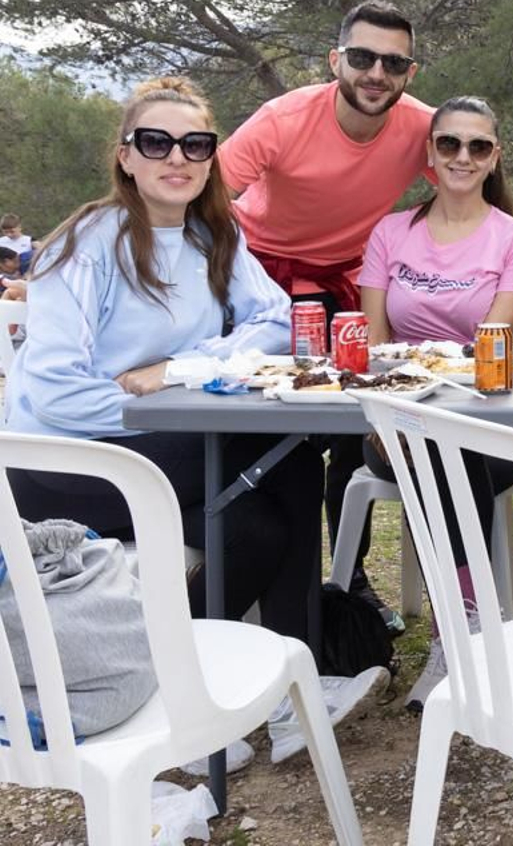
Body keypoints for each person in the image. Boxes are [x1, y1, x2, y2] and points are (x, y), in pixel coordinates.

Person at [2, 77, 325, 640]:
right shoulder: (86, 245)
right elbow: (56, 393)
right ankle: (307, 669)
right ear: (126, 156)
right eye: (156, 142)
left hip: (158, 443)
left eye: (196, 145)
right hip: (64, 464)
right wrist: (179, 402)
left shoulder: (213, 236)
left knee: (255, 527)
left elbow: (276, 319)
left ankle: (187, 673)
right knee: (287, 456)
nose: (178, 157)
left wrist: (184, 370)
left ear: (210, 159)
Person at [218, 0, 434, 630]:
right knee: (260, 422)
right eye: (363, 57)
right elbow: (204, 194)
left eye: (393, 62)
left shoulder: (420, 126)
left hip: (346, 278)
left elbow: (464, 183)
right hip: (262, 272)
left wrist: (511, 264)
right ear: (336, 59)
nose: (376, 73)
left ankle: (347, 579)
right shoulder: (281, 119)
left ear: (409, 73)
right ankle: (259, 573)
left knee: (351, 426)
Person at [356, 96, 513, 710]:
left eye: (478, 146)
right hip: (395, 422)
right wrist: (389, 413)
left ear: (495, 159)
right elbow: (374, 342)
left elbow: (487, 350)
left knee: (445, 450)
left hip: (489, 427)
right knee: (431, 450)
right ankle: (461, 634)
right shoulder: (389, 232)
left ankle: (456, 638)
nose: (463, 157)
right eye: (449, 144)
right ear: (430, 154)